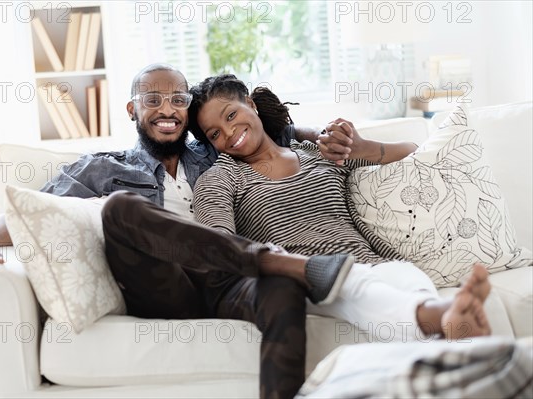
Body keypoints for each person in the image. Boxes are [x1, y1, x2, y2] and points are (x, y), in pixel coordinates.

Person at [0, 63, 357, 399]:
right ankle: (269, 258)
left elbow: (273, 133)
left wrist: (319, 136)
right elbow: (30, 207)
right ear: (131, 110)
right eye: (153, 100)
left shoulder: (213, 148)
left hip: (229, 282)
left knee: (283, 287)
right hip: (164, 287)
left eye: (178, 99)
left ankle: (276, 272)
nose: (167, 109)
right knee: (122, 208)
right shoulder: (105, 166)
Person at [186, 73, 492, 344]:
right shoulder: (220, 179)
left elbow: (414, 155)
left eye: (230, 116)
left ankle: (447, 324)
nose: (227, 134)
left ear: (251, 105)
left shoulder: (316, 153)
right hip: (309, 279)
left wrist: (362, 147)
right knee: (351, 285)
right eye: (214, 134)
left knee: (407, 279)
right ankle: (443, 316)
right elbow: (219, 245)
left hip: (377, 265)